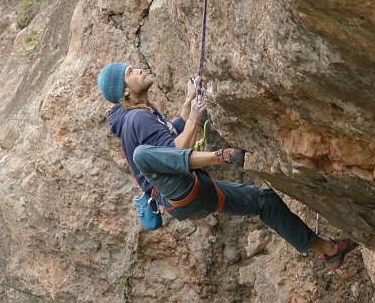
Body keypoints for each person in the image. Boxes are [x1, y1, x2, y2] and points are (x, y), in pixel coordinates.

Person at [97, 62, 358, 269]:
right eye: (131, 72)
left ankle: (330, 251)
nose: (139, 69)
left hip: (187, 196)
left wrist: (189, 103)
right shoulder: (137, 118)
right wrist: (196, 120)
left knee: (263, 201)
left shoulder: (141, 112)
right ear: (125, 91)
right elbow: (174, 151)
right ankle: (220, 156)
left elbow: (171, 136)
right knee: (149, 154)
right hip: (180, 191)